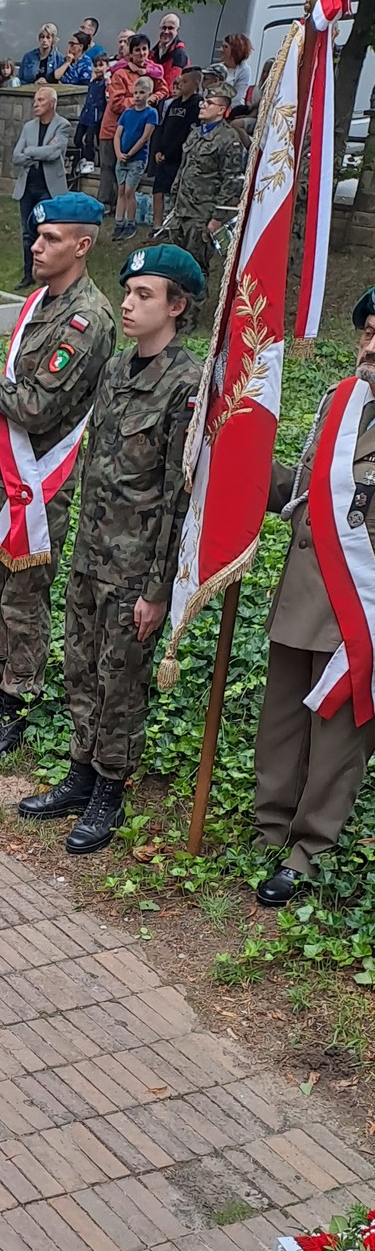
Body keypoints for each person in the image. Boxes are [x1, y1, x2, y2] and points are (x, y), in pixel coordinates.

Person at [19, 243, 202, 854]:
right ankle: (80, 770)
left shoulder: (186, 384)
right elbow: (96, 462)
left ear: (176, 306)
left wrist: (157, 590)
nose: (127, 303)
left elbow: (176, 498)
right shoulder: (118, 368)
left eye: (143, 295)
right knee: (80, 666)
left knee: (120, 681)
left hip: (134, 570)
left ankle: (109, 789)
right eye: (127, 292)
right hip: (91, 554)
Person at [0, 192, 117, 761]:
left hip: (39, 484)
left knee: (23, 597)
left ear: (82, 245)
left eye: (51, 239)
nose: (37, 246)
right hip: (0, 473)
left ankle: (20, 697)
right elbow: (16, 394)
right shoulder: (39, 302)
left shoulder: (87, 319)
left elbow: (38, 407)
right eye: (37, 236)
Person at [250, 288, 375, 906]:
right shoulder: (343, 403)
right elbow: (301, 494)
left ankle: (309, 851)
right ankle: (270, 827)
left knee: (337, 738)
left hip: (362, 611)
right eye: (368, 332)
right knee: (280, 723)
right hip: (304, 591)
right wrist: (242, 462)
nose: (371, 346)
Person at [158, 86, 238, 285]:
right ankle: (177, 301)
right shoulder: (195, 133)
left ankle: (195, 303)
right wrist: (174, 200)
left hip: (202, 213)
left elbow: (232, 181)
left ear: (221, 110)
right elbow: (184, 167)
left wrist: (217, 218)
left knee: (196, 267)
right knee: (176, 264)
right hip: (182, 209)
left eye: (209, 103)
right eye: (203, 101)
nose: (202, 105)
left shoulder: (228, 139)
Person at [11, 85, 71, 285]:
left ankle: (48, 274)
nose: (35, 104)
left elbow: (54, 153)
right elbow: (15, 156)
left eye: (40, 100)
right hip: (28, 187)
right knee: (27, 233)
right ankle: (28, 275)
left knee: (48, 232)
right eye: (34, 100)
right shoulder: (28, 127)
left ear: (52, 104)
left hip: (49, 188)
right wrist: (40, 151)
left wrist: (30, 151)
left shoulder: (62, 125)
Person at [99, 33, 151, 210]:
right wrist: (139, 102)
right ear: (131, 52)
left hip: (134, 132)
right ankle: (105, 204)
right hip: (112, 129)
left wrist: (153, 98)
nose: (141, 53)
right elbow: (116, 103)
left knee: (127, 169)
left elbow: (163, 89)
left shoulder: (151, 72)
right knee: (108, 167)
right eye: (137, 50)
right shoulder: (120, 73)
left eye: (144, 49)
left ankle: (122, 207)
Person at [148, 66, 200, 233]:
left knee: (175, 192)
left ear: (196, 84)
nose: (181, 85)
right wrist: (158, 150)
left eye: (185, 82)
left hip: (179, 157)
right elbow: (163, 128)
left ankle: (173, 226)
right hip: (163, 155)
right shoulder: (173, 104)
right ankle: (157, 226)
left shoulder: (196, 105)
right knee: (158, 190)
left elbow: (186, 132)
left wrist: (169, 152)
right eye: (179, 81)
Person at [113, 75, 158, 241]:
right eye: (136, 93)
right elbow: (117, 135)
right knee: (120, 190)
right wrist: (119, 153)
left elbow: (144, 137)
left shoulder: (151, 113)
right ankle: (119, 222)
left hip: (137, 158)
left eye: (142, 93)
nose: (138, 96)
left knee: (129, 190)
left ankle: (130, 222)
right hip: (122, 157)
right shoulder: (127, 113)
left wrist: (130, 153)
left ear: (149, 94)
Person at [217, 32, 254, 114]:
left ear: (235, 50)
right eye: (221, 46)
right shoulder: (216, 67)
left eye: (225, 47)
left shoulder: (244, 70)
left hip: (232, 111)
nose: (220, 50)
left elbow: (237, 97)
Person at [153, 14, 188, 95]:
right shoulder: (153, 52)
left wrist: (158, 96)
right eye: (164, 28)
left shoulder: (179, 54)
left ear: (177, 30)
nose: (166, 31)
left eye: (170, 28)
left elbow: (172, 84)